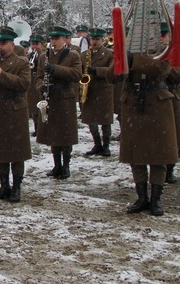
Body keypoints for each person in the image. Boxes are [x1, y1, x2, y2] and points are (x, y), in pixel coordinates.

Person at [106, 46, 177, 217]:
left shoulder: (162, 50)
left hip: (157, 105)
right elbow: (111, 77)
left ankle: (156, 199)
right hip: (133, 105)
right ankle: (142, 197)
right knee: (136, 155)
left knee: (159, 155)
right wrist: (121, 59)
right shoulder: (127, 50)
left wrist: (133, 60)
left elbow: (161, 69)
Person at [0, 27, 32, 202]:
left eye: (3, 44)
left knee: (16, 152)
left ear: (11, 44)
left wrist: (3, 74)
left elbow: (24, 84)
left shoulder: (21, 62)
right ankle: (4, 186)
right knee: (0, 151)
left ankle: (16, 187)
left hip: (14, 110)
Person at [35, 26, 82, 179]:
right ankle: (57, 165)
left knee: (66, 133)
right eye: (52, 39)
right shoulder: (44, 56)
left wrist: (56, 69)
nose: (53, 42)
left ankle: (66, 166)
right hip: (50, 98)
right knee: (53, 132)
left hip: (65, 97)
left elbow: (76, 74)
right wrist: (40, 86)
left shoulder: (73, 55)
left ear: (64, 39)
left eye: (57, 39)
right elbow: (39, 76)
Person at [161, 22, 180, 183]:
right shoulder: (152, 52)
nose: (161, 39)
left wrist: (165, 69)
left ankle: (170, 168)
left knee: (173, 136)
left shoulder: (178, 53)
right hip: (157, 98)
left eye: (164, 35)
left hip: (173, 95)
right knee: (160, 137)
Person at [80, 28, 114, 157]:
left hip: (104, 90)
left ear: (102, 40)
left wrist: (97, 71)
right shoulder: (84, 55)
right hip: (90, 91)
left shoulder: (109, 54)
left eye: (97, 39)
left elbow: (112, 71)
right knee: (91, 121)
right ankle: (97, 144)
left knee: (105, 121)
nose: (94, 42)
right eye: (93, 39)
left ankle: (106, 146)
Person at [27, 34, 45, 137]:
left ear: (42, 45)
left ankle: (42, 129)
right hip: (32, 84)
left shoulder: (45, 55)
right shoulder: (29, 56)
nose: (34, 46)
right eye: (32, 44)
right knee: (33, 108)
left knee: (41, 109)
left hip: (40, 84)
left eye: (36, 44)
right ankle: (36, 129)